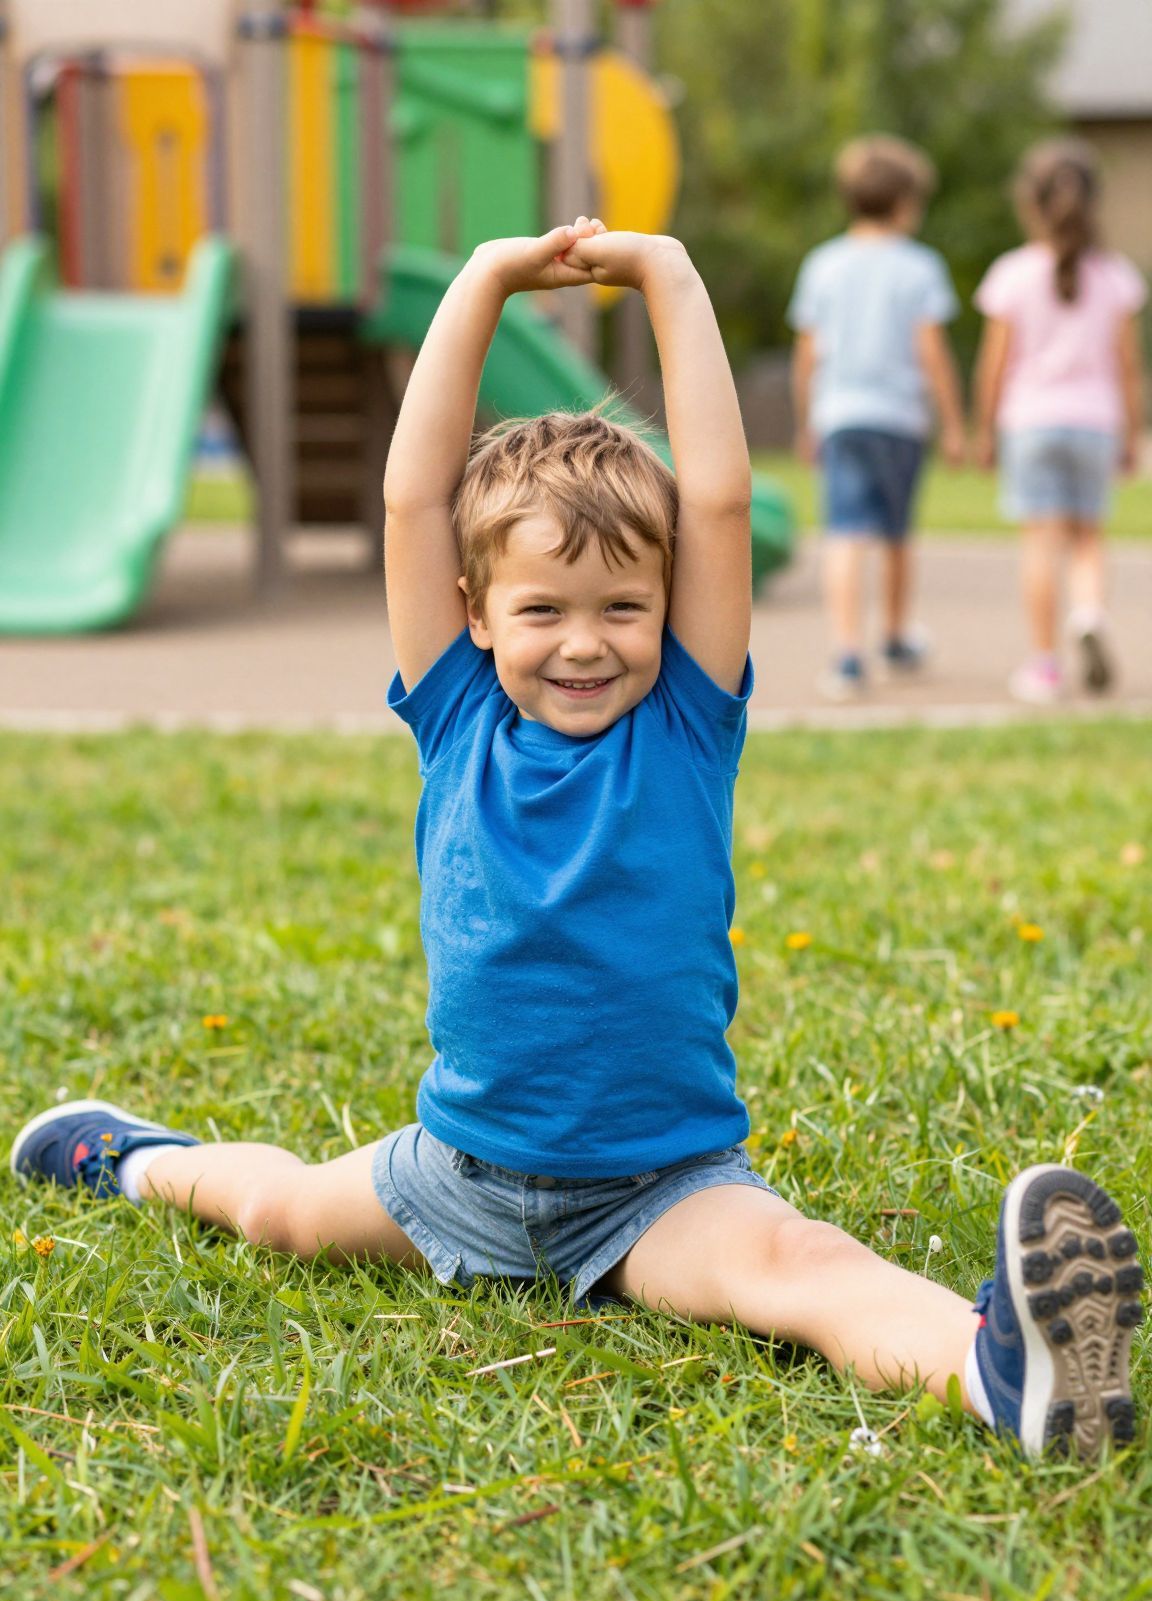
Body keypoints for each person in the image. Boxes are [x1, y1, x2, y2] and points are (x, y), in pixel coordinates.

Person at [9, 222, 1144, 1460]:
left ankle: (1006, 1374)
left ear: (668, 608)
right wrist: (485, 278)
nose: (585, 640)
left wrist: (670, 274)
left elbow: (713, 494)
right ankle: (134, 1162)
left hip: (659, 1188)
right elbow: (412, 495)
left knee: (804, 1266)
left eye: (624, 607)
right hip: (457, 1170)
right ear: (474, 617)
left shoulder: (688, 725)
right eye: (542, 609)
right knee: (278, 1207)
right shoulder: (454, 713)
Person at [788, 135, 966, 701]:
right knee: (895, 534)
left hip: (840, 414)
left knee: (844, 532)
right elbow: (932, 351)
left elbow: (807, 354)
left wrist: (806, 419)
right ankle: (893, 636)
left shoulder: (823, 263)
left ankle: (846, 655)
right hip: (900, 419)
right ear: (906, 203)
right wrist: (955, 423)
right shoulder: (920, 267)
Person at [974, 139, 1147, 703]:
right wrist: (1133, 433)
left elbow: (994, 365)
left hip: (1031, 423)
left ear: (1029, 202)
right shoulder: (1116, 275)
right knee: (1089, 540)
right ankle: (1090, 614)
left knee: (1041, 544)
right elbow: (1128, 367)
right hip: (1096, 424)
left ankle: (1045, 666)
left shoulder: (1013, 274)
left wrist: (985, 430)